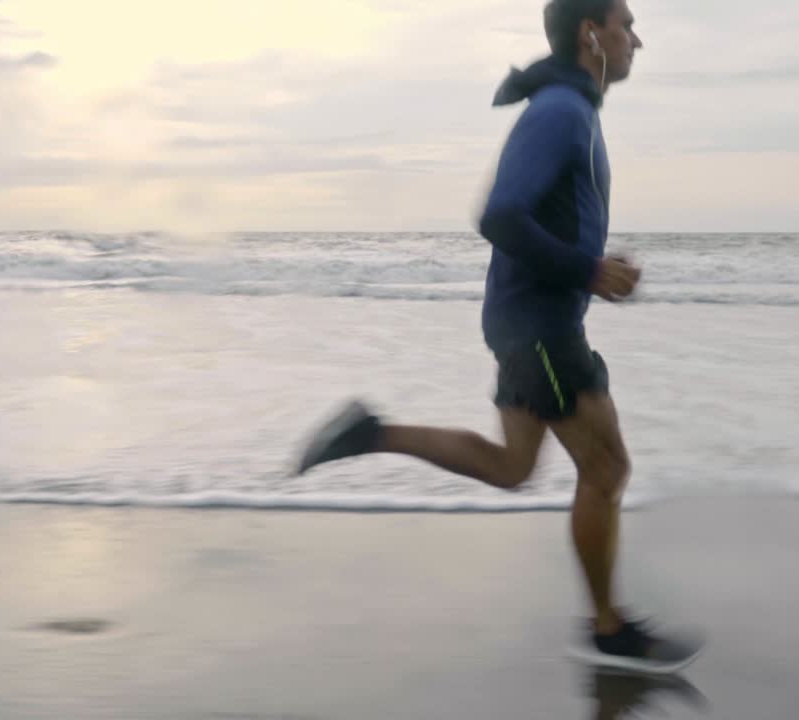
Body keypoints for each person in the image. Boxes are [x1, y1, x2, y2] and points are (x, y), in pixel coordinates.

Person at [293, 0, 700, 674]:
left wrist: (591, 263)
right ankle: (608, 628)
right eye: (626, 24)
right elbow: (499, 216)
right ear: (589, 35)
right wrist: (587, 269)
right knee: (607, 470)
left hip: (524, 322)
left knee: (513, 468)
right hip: (539, 327)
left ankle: (369, 433)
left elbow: (534, 218)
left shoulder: (571, 110)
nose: (638, 39)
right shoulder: (560, 113)